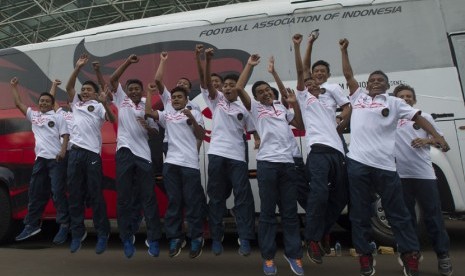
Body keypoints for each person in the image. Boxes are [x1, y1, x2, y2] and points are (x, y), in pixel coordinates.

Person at [339, 38, 450, 276]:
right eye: (372, 80)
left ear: (387, 86)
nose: (376, 83)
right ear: (366, 85)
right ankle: (365, 258)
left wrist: (435, 136)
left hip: (386, 167)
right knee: (359, 214)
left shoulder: (395, 102)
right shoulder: (358, 97)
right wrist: (344, 50)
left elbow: (419, 118)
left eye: (380, 81)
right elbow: (348, 74)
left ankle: (409, 255)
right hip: (357, 164)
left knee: (398, 213)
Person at [236, 54, 305, 276]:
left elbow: (300, 124)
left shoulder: (281, 107)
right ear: (255, 97)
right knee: (267, 213)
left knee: (290, 213)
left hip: (287, 165)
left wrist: (294, 105)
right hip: (267, 165)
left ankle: (294, 254)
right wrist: (249, 65)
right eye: (260, 92)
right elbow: (239, 88)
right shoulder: (255, 109)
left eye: (267, 90)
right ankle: (268, 258)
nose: (265, 93)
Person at [291, 33, 349, 264]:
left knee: (341, 195)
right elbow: (301, 69)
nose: (316, 77)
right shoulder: (304, 96)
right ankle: (313, 239)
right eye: (314, 74)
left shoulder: (331, 91)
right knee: (319, 193)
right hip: (318, 151)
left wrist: (342, 122)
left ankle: (322, 230)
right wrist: (304, 45)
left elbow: (347, 107)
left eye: (321, 73)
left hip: (338, 150)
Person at [197, 46, 255, 256]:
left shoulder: (245, 109)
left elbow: (255, 130)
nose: (229, 88)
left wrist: (249, 65)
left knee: (242, 198)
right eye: (226, 85)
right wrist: (208, 59)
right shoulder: (216, 101)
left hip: (238, 158)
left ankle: (245, 238)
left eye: (233, 85)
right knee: (216, 198)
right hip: (217, 155)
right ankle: (216, 238)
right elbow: (205, 83)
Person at [394, 84, 453, 276]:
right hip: (400, 177)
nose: (406, 98)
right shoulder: (390, 119)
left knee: (433, 218)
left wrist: (427, 141)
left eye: (409, 96)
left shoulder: (425, 118)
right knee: (407, 219)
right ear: (395, 100)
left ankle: (443, 257)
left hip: (425, 176)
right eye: (401, 96)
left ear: (415, 100)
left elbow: (444, 144)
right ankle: (411, 257)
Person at [109, 54, 163, 259]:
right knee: (123, 198)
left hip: (143, 156)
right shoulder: (121, 99)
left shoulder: (146, 105)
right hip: (124, 152)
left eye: (136, 89)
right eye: (130, 88)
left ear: (140, 91)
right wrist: (128, 63)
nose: (132, 91)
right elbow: (113, 80)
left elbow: (155, 133)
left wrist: (147, 128)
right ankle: (126, 238)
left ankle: (154, 239)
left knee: (148, 198)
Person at [145, 85, 207, 259]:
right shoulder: (167, 115)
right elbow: (149, 111)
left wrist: (191, 118)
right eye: (174, 97)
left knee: (192, 202)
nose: (176, 99)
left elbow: (201, 135)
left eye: (180, 96)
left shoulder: (194, 113)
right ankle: (175, 238)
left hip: (189, 164)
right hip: (171, 164)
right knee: (174, 201)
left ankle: (196, 237)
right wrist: (149, 93)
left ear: (187, 99)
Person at [65, 53, 115, 254]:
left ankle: (103, 233)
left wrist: (104, 102)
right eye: (83, 90)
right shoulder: (76, 104)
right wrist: (77, 67)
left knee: (95, 194)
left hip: (92, 155)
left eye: (88, 90)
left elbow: (111, 119)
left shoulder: (98, 106)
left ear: (95, 93)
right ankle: (78, 233)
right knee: (75, 195)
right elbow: (69, 88)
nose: (84, 92)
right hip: (75, 154)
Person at [10, 77, 70, 245]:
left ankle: (64, 225)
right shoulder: (35, 116)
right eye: (41, 101)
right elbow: (18, 104)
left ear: (52, 105)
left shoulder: (58, 117)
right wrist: (14, 86)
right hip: (40, 161)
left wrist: (63, 151)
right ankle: (31, 225)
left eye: (47, 101)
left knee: (57, 193)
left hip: (56, 160)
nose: (43, 103)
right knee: (35, 193)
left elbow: (65, 135)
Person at [153, 51, 202, 156]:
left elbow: (199, 129)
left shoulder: (195, 106)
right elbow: (157, 80)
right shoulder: (168, 97)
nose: (181, 84)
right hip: (169, 142)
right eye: (179, 82)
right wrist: (162, 60)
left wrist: (196, 150)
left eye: (185, 84)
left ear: (188, 90)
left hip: (187, 143)